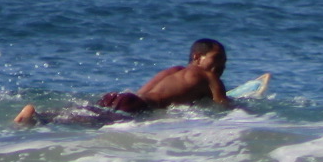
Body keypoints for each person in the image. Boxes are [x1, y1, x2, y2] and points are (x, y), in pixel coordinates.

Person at [14, 39, 233, 126]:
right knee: (94, 122)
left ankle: (41, 114)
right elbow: (223, 107)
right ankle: (39, 118)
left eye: (224, 61)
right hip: (136, 106)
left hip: (125, 97)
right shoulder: (208, 77)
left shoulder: (174, 71)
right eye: (217, 59)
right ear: (197, 58)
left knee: (88, 111)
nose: (221, 65)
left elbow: (148, 92)